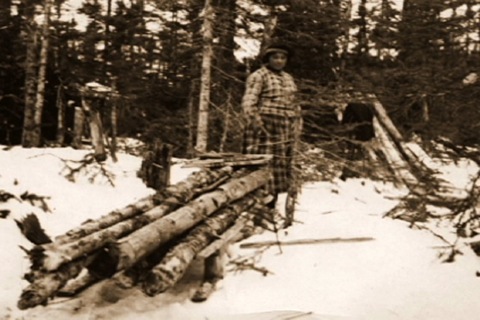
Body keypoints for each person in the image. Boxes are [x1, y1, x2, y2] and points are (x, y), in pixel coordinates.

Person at [241, 44, 302, 209]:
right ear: (268, 59)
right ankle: (254, 204)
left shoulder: (288, 78)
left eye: (283, 58)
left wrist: (296, 123)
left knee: (279, 165)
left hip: (284, 125)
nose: (279, 61)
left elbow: (294, 103)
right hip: (264, 125)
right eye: (275, 57)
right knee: (262, 164)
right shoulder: (259, 76)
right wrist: (255, 123)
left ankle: (271, 206)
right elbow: (249, 101)